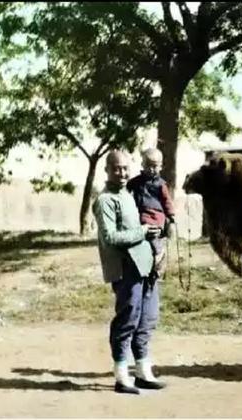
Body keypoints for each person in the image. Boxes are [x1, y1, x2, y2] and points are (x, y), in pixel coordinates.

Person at [92, 150, 167, 394]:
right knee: (127, 319)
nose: (122, 173)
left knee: (148, 318)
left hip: (145, 266)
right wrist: (143, 232)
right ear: (107, 170)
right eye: (116, 168)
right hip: (125, 268)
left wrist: (155, 239)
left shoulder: (128, 193)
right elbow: (110, 237)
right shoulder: (105, 200)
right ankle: (122, 375)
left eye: (125, 168)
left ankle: (143, 371)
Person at [127, 148, 176, 281]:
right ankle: (144, 264)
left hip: (155, 216)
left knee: (154, 239)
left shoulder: (161, 185)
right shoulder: (136, 182)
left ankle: (159, 259)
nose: (151, 169)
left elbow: (167, 201)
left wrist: (171, 217)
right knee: (141, 240)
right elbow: (126, 188)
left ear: (160, 166)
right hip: (140, 215)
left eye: (155, 166)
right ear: (142, 164)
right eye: (148, 165)